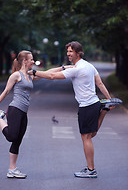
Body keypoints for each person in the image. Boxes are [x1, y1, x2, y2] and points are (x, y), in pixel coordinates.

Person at [28, 41, 122, 178]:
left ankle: (91, 170)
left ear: (78, 52)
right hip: (94, 103)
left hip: (87, 106)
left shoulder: (77, 69)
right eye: (67, 51)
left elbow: (53, 76)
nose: (68, 54)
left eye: (71, 51)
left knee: (86, 137)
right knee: (91, 135)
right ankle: (104, 110)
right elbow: (99, 83)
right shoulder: (88, 66)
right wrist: (108, 99)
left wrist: (36, 71)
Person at [0, 50, 35, 179]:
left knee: (17, 140)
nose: (33, 61)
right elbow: (6, 91)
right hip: (15, 109)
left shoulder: (30, 75)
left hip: (24, 112)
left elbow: (49, 74)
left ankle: (12, 169)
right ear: (25, 61)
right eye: (31, 59)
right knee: (12, 136)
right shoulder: (16, 75)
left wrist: (64, 68)